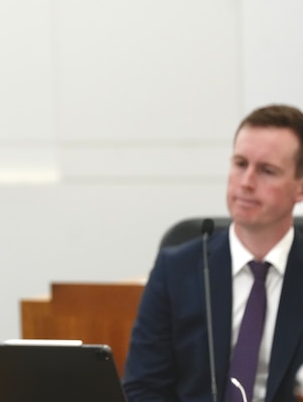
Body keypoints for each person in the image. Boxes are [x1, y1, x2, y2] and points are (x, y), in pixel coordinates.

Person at [124, 104, 303, 402]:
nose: (246, 182)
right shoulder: (176, 270)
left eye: (267, 171)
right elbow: (144, 387)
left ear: (299, 187)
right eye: (240, 164)